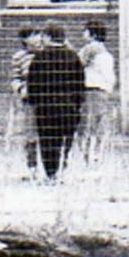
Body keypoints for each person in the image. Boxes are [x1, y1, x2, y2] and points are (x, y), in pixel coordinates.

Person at [26, 21, 86, 181]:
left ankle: (51, 173)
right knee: (65, 139)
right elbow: (79, 83)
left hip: (45, 108)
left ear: (48, 37)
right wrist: (77, 104)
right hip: (68, 106)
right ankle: (64, 169)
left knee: (48, 141)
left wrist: (34, 102)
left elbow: (32, 84)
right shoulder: (73, 57)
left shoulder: (39, 58)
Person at [78, 20, 116, 162]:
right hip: (104, 90)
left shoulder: (90, 48)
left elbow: (77, 63)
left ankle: (89, 154)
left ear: (92, 34)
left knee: (88, 123)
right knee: (99, 122)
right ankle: (97, 153)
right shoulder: (106, 52)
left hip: (91, 89)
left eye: (86, 31)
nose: (83, 34)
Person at [10, 26, 43, 173]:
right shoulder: (19, 57)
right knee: (30, 133)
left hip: (46, 97)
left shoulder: (46, 54)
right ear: (24, 40)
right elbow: (15, 78)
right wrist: (20, 88)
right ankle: (32, 167)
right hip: (30, 99)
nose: (36, 38)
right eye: (32, 35)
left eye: (37, 34)